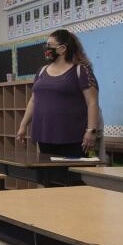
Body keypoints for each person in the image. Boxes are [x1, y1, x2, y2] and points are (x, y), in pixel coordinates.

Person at [17, 29, 100, 158]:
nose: (46, 48)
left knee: (71, 177)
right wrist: (23, 125)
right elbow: (34, 100)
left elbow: (92, 102)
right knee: (50, 176)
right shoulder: (41, 71)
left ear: (62, 49)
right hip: (45, 137)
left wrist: (91, 131)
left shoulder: (81, 70)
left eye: (50, 45)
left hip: (73, 138)